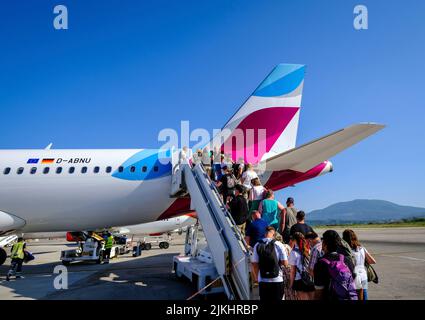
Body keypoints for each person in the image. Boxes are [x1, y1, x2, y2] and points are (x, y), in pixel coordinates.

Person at [313, 230, 358, 300]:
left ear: (324, 244)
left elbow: (319, 292)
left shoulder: (320, 264)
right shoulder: (347, 260)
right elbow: (354, 283)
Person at [251, 226, 288, 301]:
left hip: (263, 280)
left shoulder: (257, 245)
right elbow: (285, 263)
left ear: (265, 234)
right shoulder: (279, 244)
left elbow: (254, 264)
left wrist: (256, 278)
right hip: (277, 279)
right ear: (274, 235)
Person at [342, 229, 376, 300]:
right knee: (364, 294)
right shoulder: (361, 248)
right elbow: (373, 261)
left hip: (353, 276)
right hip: (363, 274)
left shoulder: (346, 252)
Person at [288, 232, 315, 300]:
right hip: (310, 277)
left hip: (299, 279)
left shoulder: (294, 253)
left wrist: (291, 284)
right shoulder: (308, 250)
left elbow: (293, 271)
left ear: (294, 240)